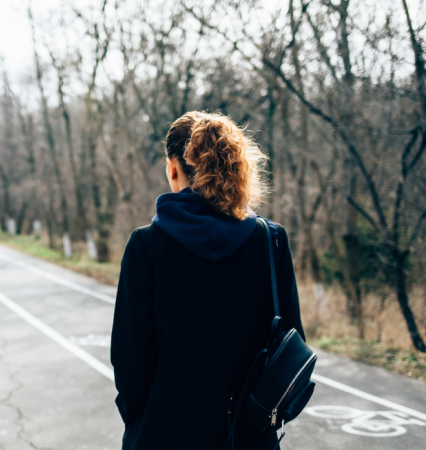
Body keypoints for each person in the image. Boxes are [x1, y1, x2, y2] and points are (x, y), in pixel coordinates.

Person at [110, 111, 305, 449]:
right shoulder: (271, 241)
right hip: (250, 437)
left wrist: (138, 420)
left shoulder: (146, 247)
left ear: (173, 168)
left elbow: (129, 359)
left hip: (163, 434)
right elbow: (292, 342)